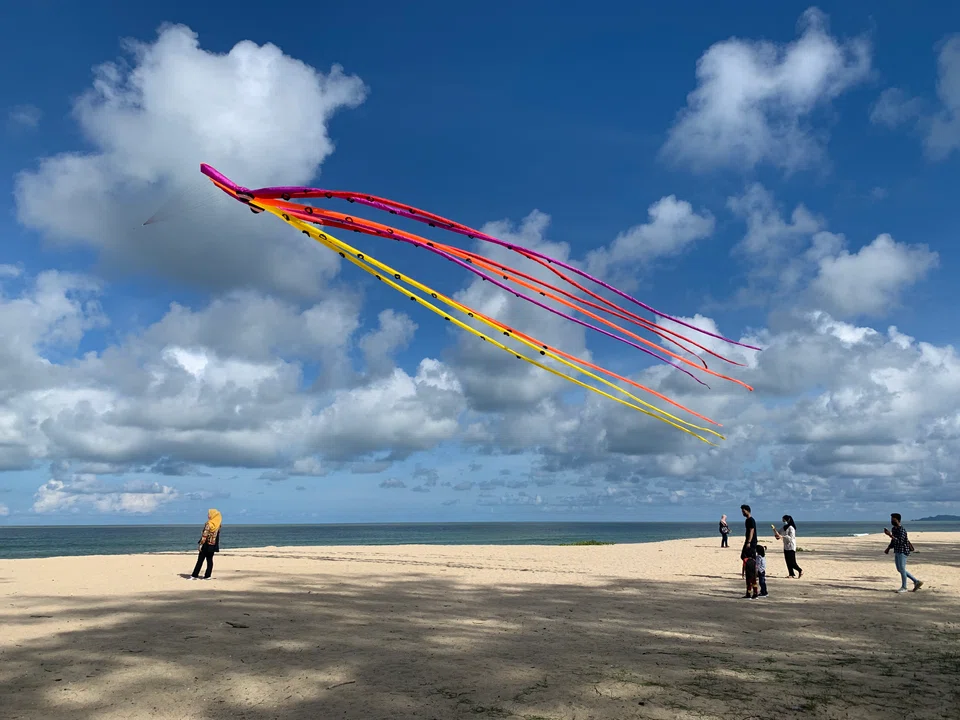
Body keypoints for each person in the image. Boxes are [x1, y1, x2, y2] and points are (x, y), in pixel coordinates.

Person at [884, 513, 923, 593]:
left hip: (903, 551)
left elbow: (900, 541)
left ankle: (904, 587)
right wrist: (888, 548)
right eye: (891, 519)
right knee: (900, 569)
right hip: (897, 550)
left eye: (893, 519)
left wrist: (890, 535)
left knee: (902, 569)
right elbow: (893, 541)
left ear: (898, 520)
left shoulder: (902, 530)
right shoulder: (894, 529)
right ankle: (916, 581)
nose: (892, 521)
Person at [191, 508, 222, 580]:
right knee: (209, 560)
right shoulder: (218, 524)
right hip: (213, 545)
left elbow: (205, 535)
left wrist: (201, 544)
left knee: (200, 560)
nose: (208, 515)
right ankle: (207, 576)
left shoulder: (208, 524)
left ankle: (194, 575)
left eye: (209, 514)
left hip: (206, 545)